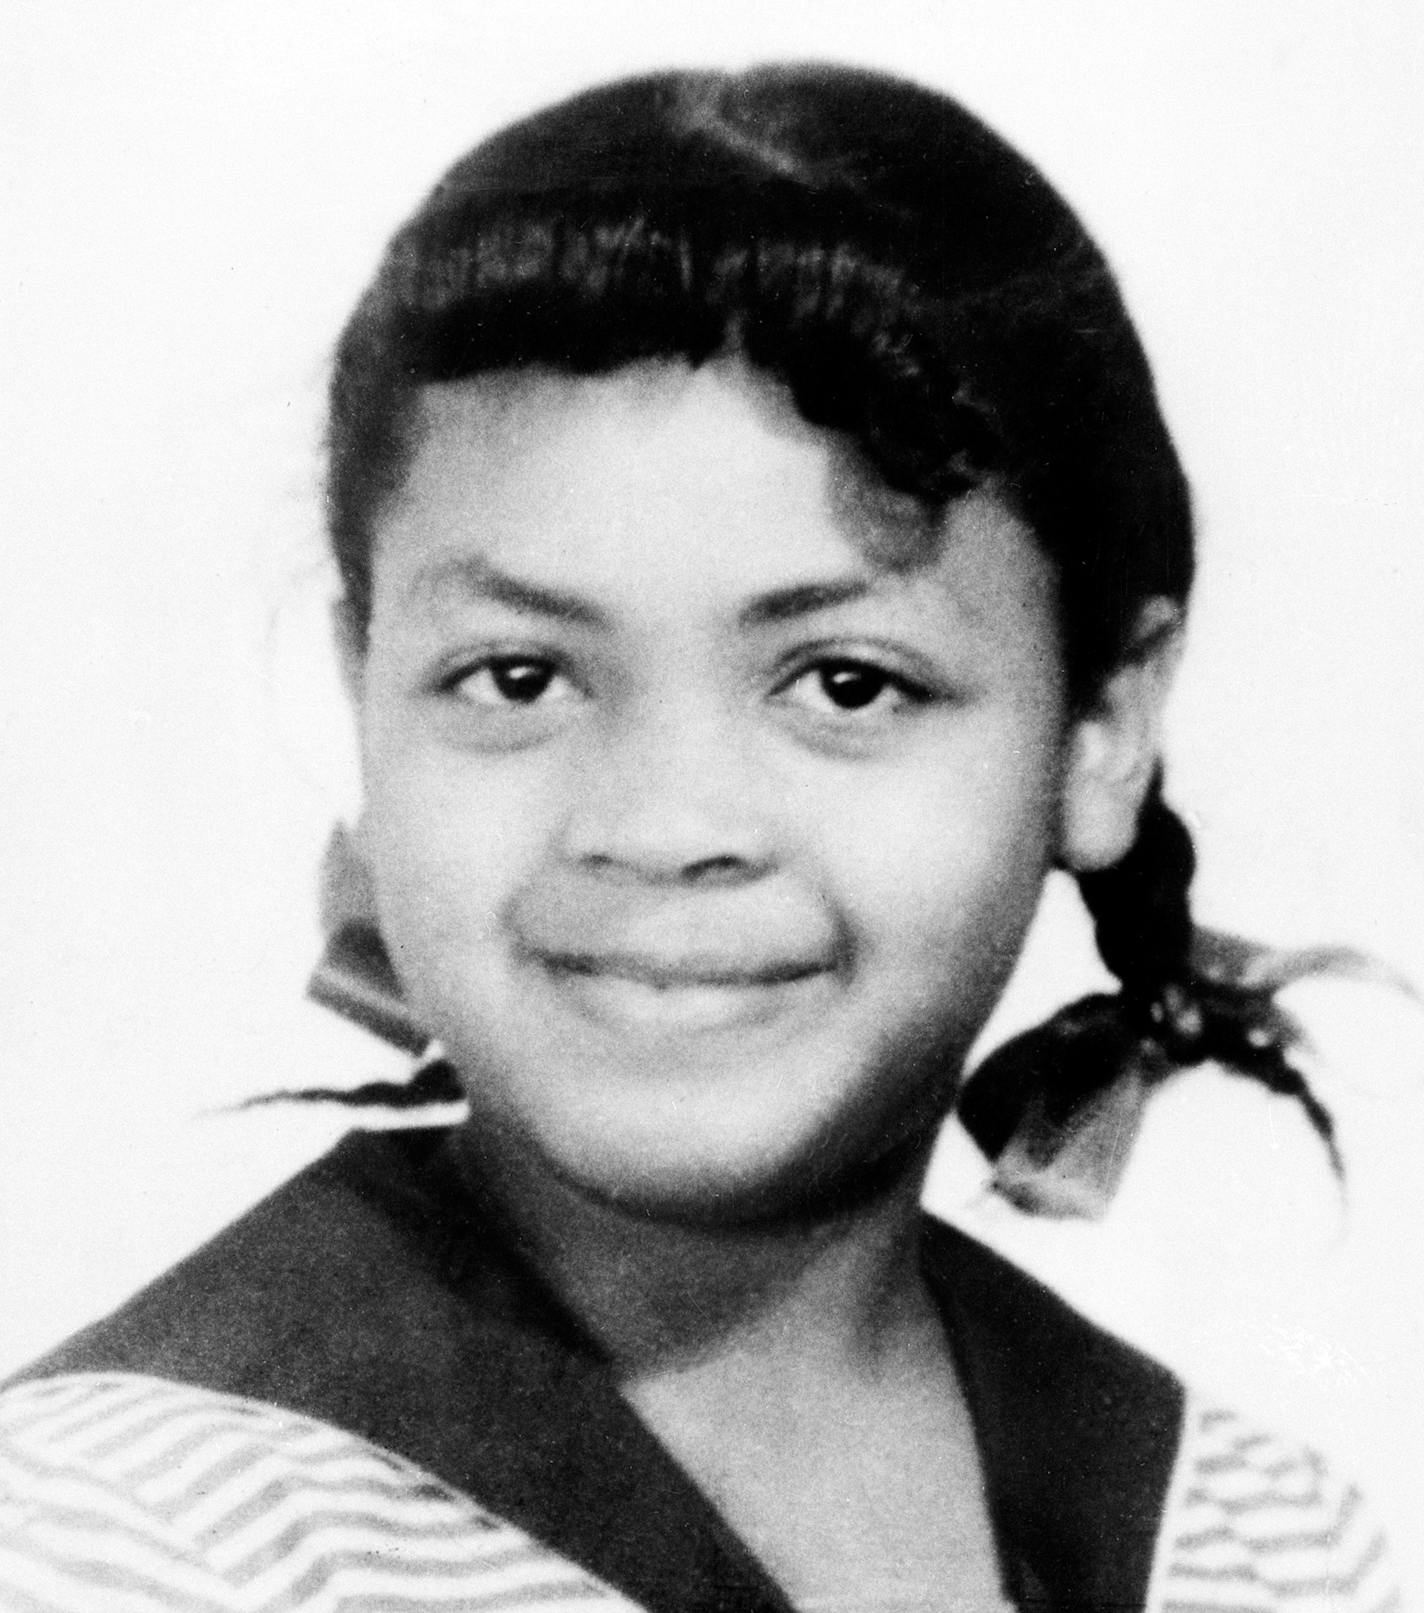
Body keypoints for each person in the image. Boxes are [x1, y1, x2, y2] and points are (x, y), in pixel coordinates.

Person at [0, 64, 1400, 1613]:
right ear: (363, 695)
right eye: (518, 678)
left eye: (845, 684)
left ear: (1104, 724)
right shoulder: (119, 1539)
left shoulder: (1263, 1542)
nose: (665, 826)